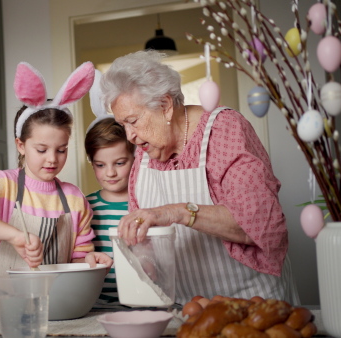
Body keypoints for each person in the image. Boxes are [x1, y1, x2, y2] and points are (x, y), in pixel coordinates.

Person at [100, 50, 300, 304]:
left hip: (253, 305)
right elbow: (148, 247)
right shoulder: (146, 151)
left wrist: (180, 212)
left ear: (165, 106)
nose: (129, 136)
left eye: (133, 121)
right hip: (186, 309)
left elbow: (259, 225)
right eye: (123, 125)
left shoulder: (225, 130)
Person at [0, 62, 112, 280]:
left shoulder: (74, 199)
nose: (52, 159)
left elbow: (78, 260)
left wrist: (90, 262)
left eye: (61, 150)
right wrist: (15, 236)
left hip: (57, 305)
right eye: (41, 149)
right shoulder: (3, 186)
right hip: (2, 305)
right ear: (21, 145)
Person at [84, 70, 135, 308]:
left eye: (120, 163)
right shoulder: (85, 206)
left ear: (134, 157)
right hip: (97, 304)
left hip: (140, 301)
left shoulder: (146, 205)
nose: (110, 173)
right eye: (100, 165)